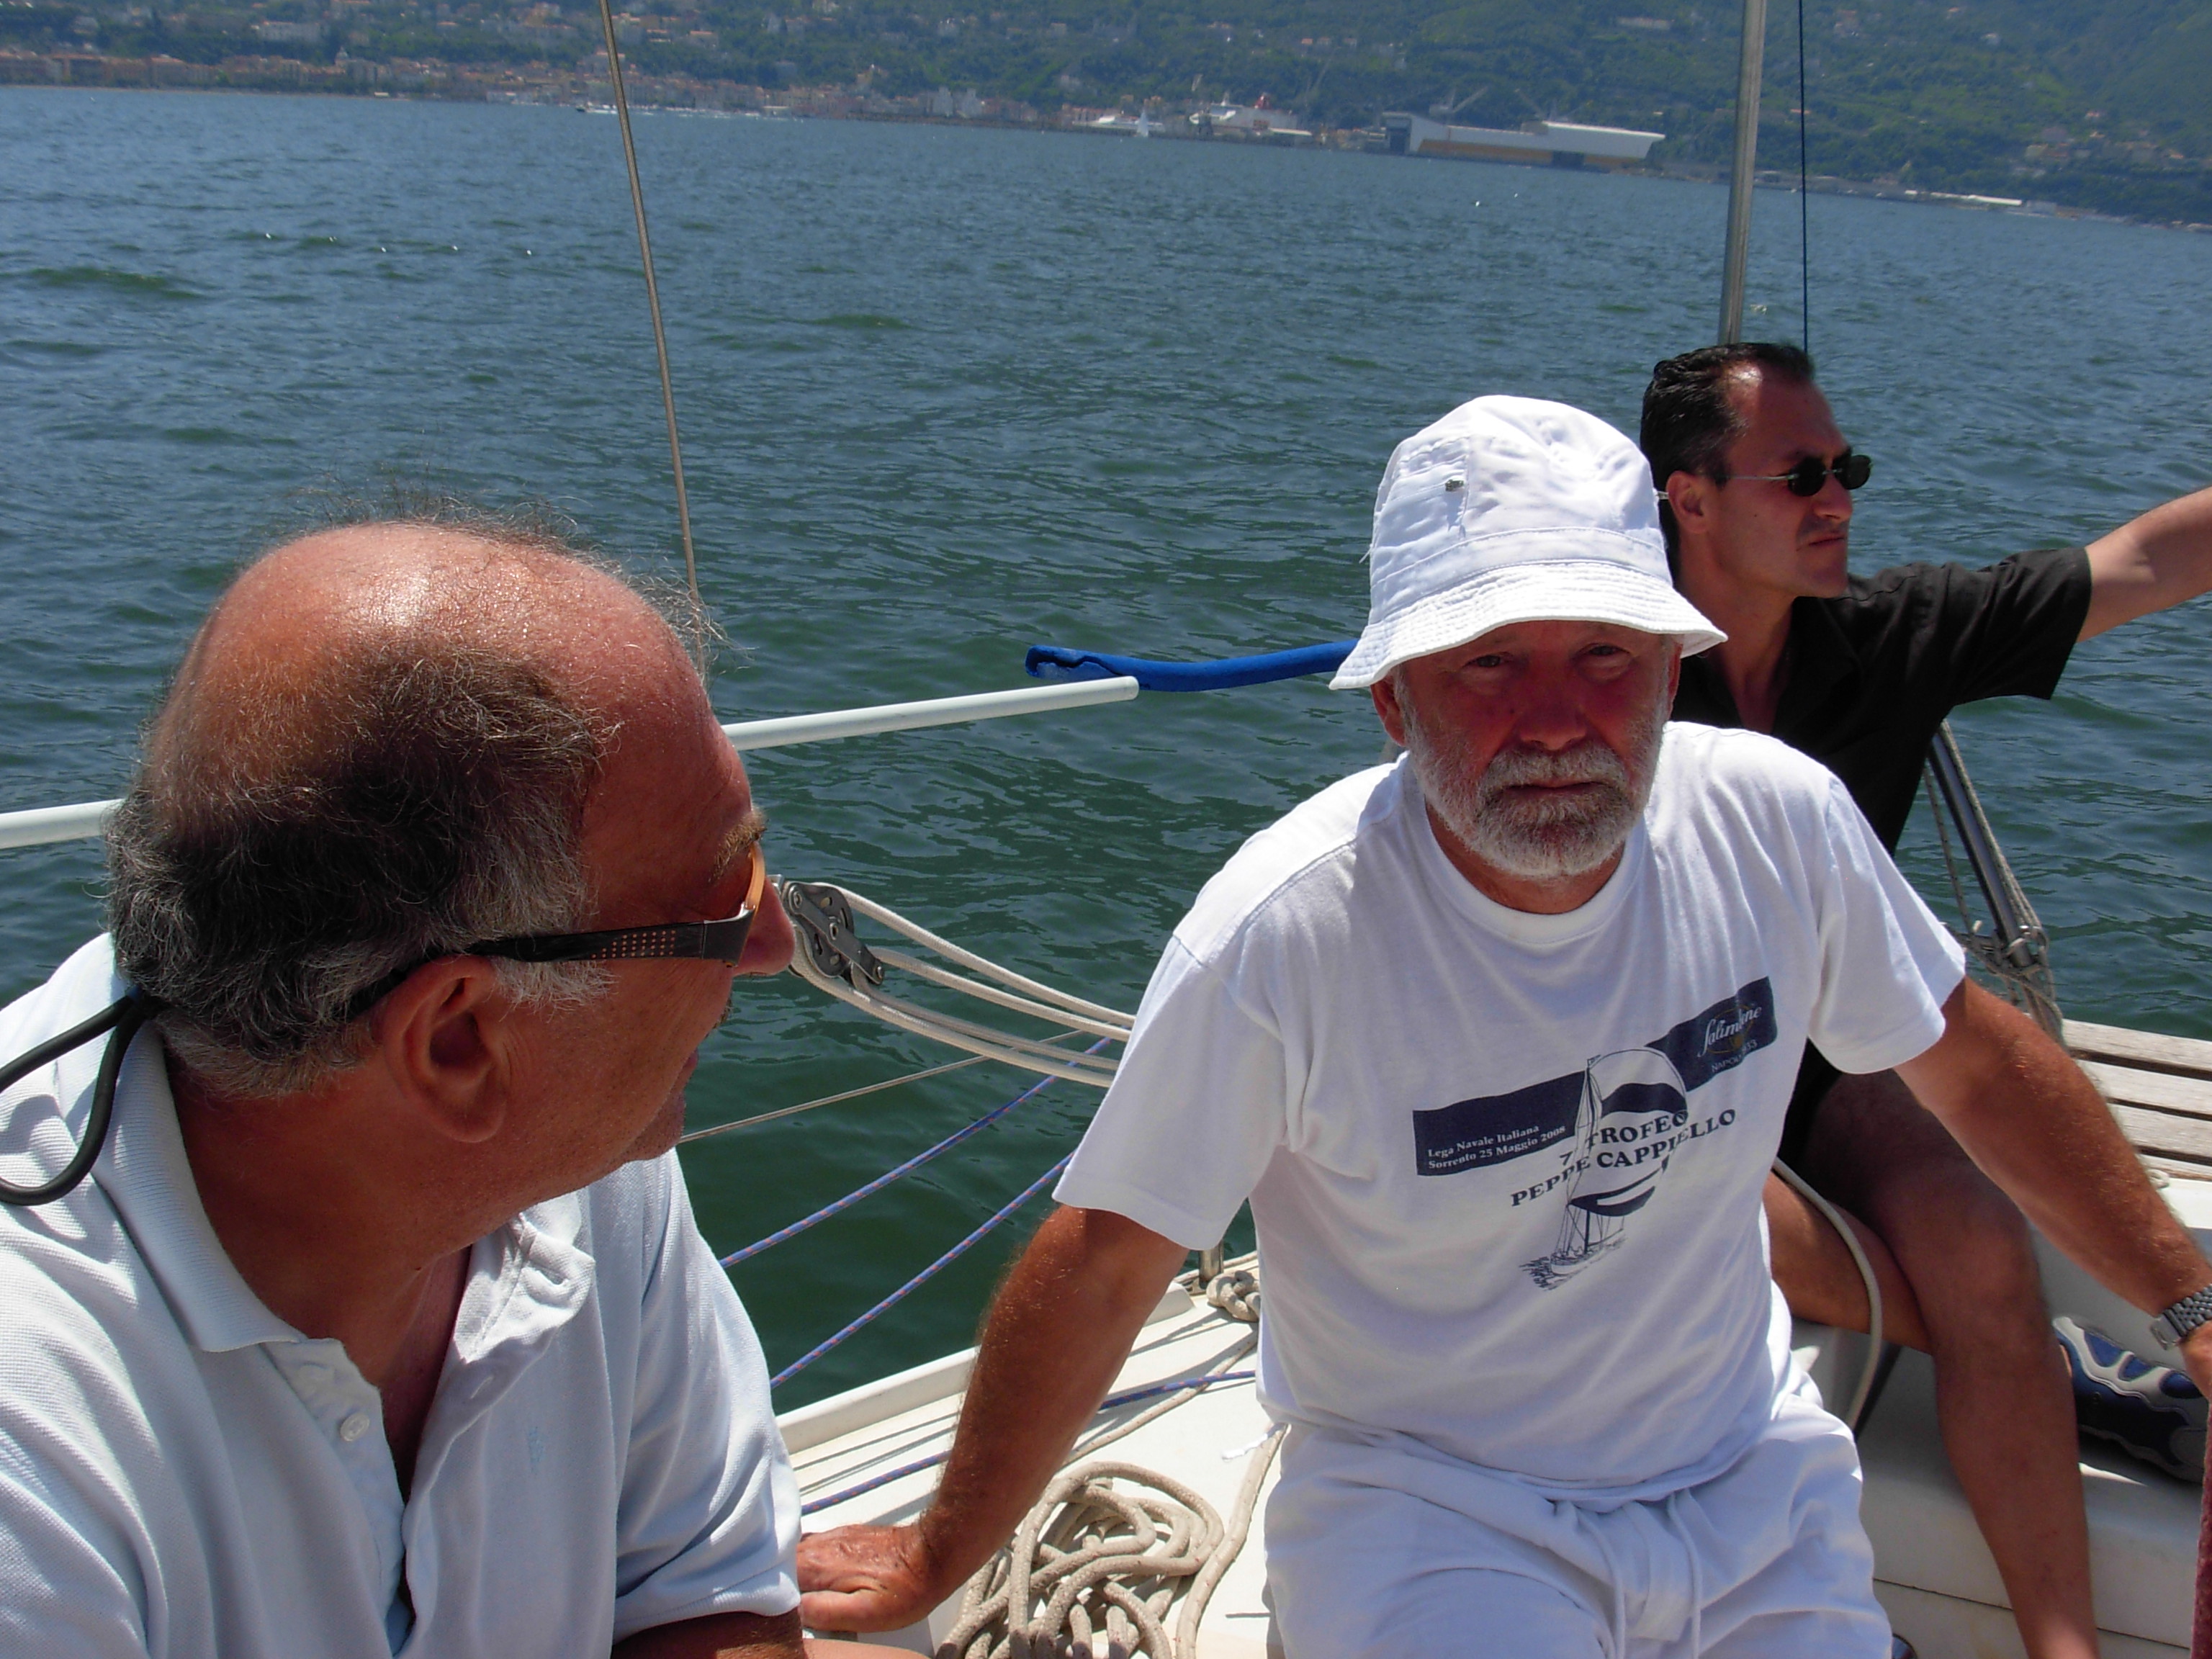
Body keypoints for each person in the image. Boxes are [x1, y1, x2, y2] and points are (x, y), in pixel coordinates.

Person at [796, 397, 2212, 1656]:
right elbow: (1111, 1255)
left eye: (1604, 655)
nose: (1553, 721)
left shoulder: (1778, 824)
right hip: (1434, 1507)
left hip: (1743, 1471)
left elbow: (1972, 1061)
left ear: (1671, 670)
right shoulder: (1287, 933)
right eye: (1485, 665)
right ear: (1391, 701)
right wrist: (940, 1552)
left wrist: (2193, 1313)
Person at [0, 508, 903, 1658]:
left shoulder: (572, 1151)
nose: (774, 943)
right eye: (726, 897)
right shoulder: (32, 1439)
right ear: (459, 1043)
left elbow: (702, 1599)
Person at [1643, 341, 2212, 1659]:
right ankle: (2049, 1365)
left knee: (1977, 1243)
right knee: (1873, 1275)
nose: (1838, 497)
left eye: (1847, 468)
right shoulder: (1609, 670)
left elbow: (2143, 562)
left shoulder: (1891, 639)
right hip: (1645, 1075)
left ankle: (2063, 1645)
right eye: (1801, 475)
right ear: (1692, 499)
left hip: (1826, 1063)